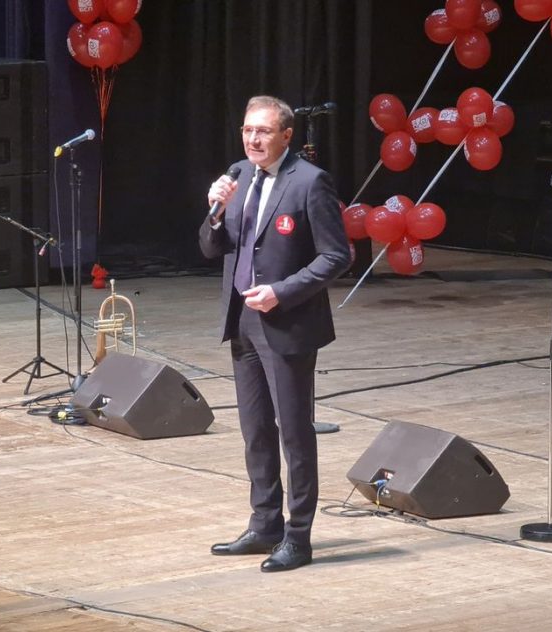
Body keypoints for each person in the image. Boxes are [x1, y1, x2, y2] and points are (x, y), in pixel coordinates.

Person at [199, 95, 351, 572]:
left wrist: (281, 293)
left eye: (263, 131)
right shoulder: (238, 177)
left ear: (287, 135)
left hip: (287, 322)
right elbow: (211, 247)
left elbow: (337, 256)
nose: (253, 139)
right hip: (242, 321)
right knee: (255, 430)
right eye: (247, 130)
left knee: (294, 433)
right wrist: (215, 212)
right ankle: (265, 524)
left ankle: (298, 536)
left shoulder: (309, 181)